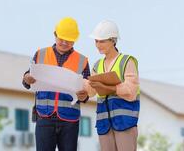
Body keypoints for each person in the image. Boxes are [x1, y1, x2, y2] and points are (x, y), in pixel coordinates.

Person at [22, 17, 90, 151]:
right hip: (44, 116)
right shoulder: (40, 54)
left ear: (75, 40)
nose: (64, 43)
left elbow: (88, 91)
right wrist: (26, 78)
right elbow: (27, 79)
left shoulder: (82, 61)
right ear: (55, 35)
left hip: (69, 120)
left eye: (69, 40)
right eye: (61, 39)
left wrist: (84, 96)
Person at [85, 20, 140, 151]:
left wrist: (110, 88)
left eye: (102, 41)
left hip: (125, 123)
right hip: (104, 124)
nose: (98, 45)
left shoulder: (127, 61)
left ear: (113, 40)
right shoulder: (97, 65)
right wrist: (81, 86)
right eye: (96, 41)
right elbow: (91, 92)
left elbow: (131, 91)